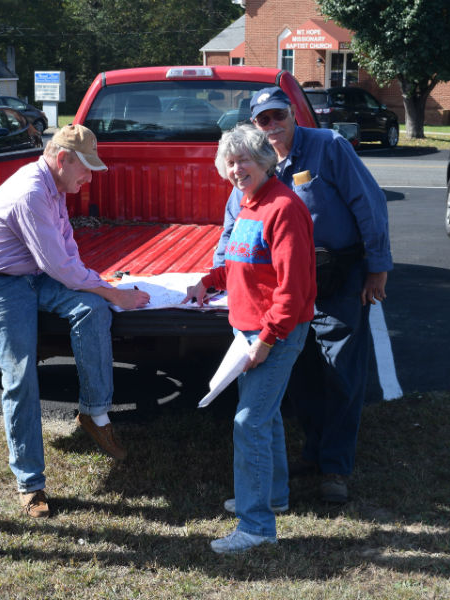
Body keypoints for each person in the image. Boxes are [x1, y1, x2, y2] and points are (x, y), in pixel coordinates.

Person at [214, 87, 393, 504]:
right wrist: (220, 276)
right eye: (263, 120)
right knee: (303, 371)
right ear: (254, 126)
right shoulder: (252, 163)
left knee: (341, 369)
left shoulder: (328, 147)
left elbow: (368, 204)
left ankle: (335, 468)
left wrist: (377, 267)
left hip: (338, 274)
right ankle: (313, 453)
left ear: (294, 114)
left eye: (278, 116)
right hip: (284, 284)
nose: (272, 126)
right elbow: (231, 225)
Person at [0, 124, 150, 518]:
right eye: (85, 168)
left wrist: (100, 288)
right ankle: (30, 485)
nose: (89, 177)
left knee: (92, 308)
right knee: (20, 375)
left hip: (33, 274)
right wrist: (113, 291)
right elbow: (61, 267)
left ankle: (94, 413)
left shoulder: (54, 185)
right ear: (63, 159)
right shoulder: (32, 193)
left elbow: (66, 248)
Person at [184, 124, 315, 554]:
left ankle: (256, 526)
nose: (237, 168)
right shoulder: (247, 202)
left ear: (264, 161)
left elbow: (292, 289)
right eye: (231, 161)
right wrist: (208, 281)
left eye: (245, 160)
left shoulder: (283, 207)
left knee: (249, 422)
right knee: (267, 415)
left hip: (272, 334)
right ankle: (272, 497)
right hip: (249, 332)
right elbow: (241, 260)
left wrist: (267, 339)